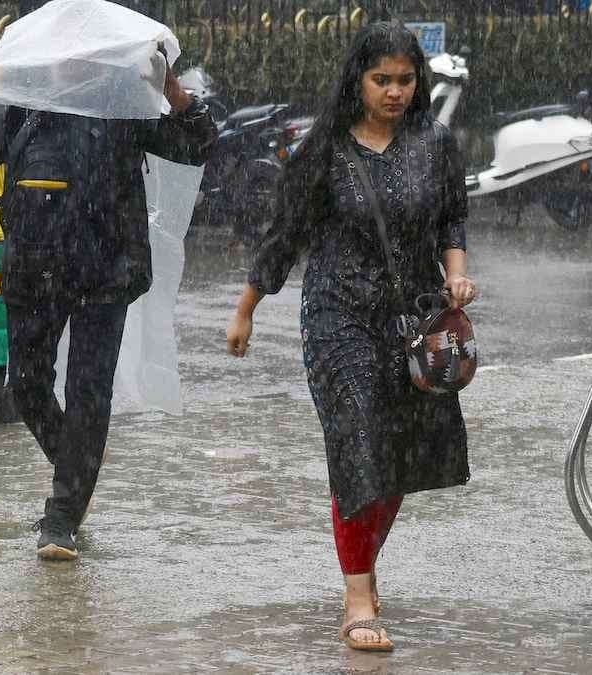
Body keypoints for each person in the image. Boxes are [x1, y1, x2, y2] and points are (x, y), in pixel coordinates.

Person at [225, 22, 478, 651]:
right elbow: (285, 235)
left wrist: (458, 277)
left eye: (404, 80)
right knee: (359, 439)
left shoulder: (435, 144)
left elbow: (451, 219)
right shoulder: (326, 150)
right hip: (338, 318)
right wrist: (247, 307)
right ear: (357, 81)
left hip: (410, 320)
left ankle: (360, 561)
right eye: (380, 80)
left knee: (398, 456)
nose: (394, 92)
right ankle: (358, 593)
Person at [0, 55, 217, 561]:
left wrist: (175, 95)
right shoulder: (21, 97)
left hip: (106, 267)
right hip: (32, 263)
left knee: (88, 392)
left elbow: (194, 148)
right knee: (25, 385)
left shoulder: (124, 98)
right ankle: (79, 457)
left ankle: (62, 517)